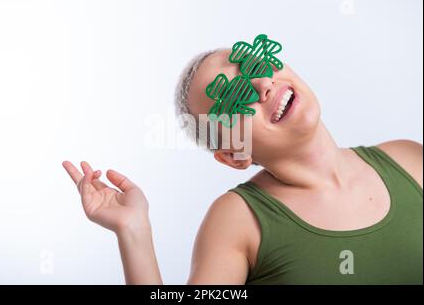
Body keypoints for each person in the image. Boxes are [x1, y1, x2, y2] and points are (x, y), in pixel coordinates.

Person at [62, 48, 423, 284]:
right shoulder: (238, 220)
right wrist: (134, 232)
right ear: (235, 155)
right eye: (236, 98)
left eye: (255, 63)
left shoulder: (408, 158)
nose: (263, 84)